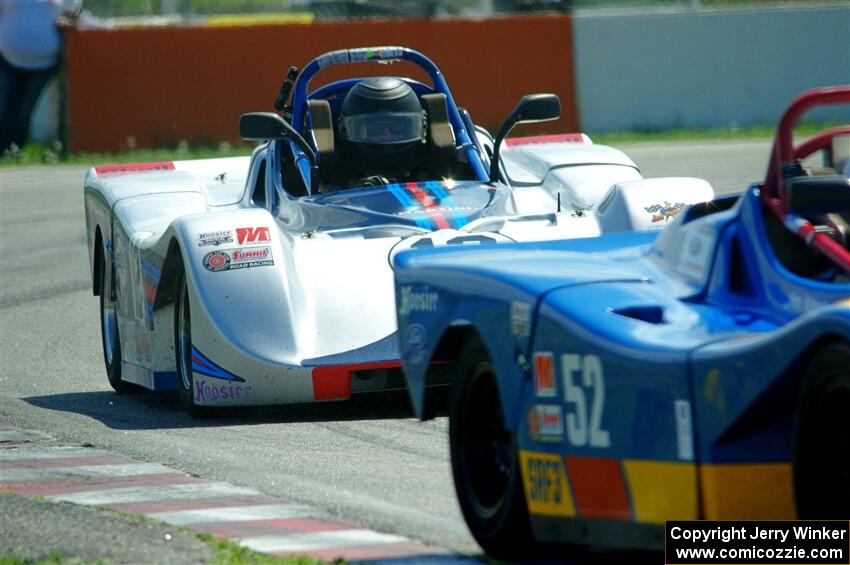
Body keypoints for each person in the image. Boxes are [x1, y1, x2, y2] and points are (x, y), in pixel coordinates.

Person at [0, 0, 81, 154]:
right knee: (3, 107)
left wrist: (70, 22)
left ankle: (14, 149)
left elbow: (79, 18)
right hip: (6, 60)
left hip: (42, 65)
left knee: (24, 111)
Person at [336, 76, 427, 186]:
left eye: (397, 128)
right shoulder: (328, 185)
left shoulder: (440, 176)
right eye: (374, 129)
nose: (386, 136)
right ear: (344, 130)